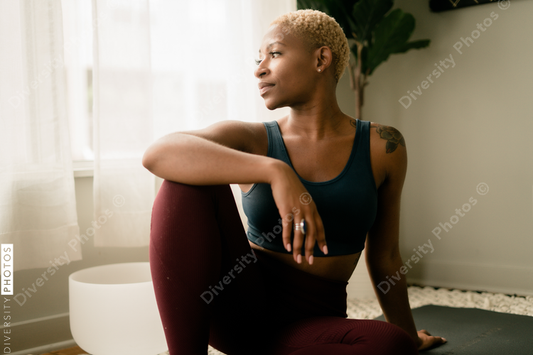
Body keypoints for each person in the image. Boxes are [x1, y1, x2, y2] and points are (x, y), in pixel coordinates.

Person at [142, 9, 447, 355]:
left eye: (274, 54)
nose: (259, 69)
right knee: (185, 180)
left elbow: (386, 255)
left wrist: (408, 334)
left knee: (391, 343)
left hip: (314, 324)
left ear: (321, 59)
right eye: (258, 59)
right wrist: (276, 172)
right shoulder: (252, 139)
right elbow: (159, 153)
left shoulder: (383, 146)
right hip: (237, 308)